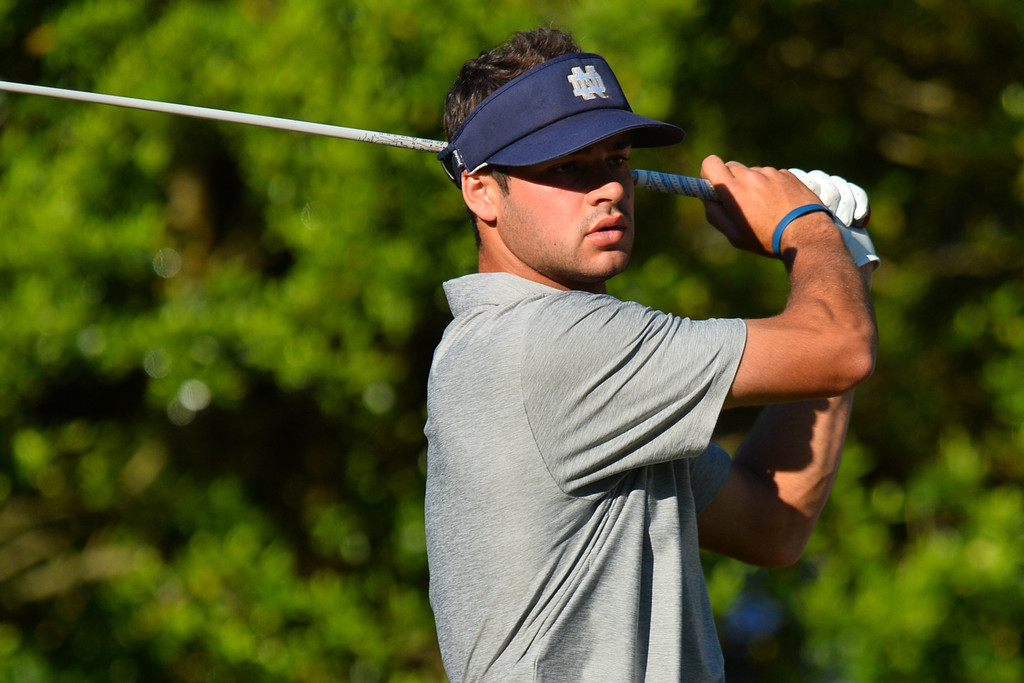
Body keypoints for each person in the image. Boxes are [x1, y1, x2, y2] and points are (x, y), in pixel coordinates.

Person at [424, 27, 877, 682]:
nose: (608, 188)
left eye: (615, 159)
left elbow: (771, 524)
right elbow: (840, 349)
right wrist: (806, 229)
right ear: (481, 191)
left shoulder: (577, 371)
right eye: (566, 166)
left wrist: (844, 263)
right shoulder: (549, 344)